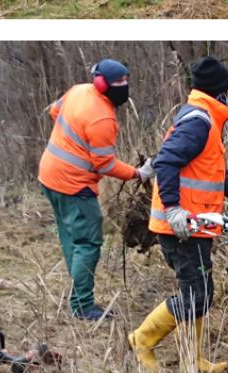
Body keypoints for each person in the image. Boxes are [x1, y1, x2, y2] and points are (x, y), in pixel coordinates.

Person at [128, 56, 228, 373]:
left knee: (198, 292)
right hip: (181, 226)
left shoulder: (203, 120)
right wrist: (174, 209)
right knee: (197, 295)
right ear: (220, 92)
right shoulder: (199, 121)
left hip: (196, 225)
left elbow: (213, 171)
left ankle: (193, 357)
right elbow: (166, 161)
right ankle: (141, 340)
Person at [39, 59, 155, 320]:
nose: (124, 86)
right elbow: (104, 164)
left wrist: (71, 142)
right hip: (73, 185)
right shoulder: (103, 117)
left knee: (71, 236)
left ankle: (77, 289)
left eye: (126, 81)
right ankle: (83, 305)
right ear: (101, 83)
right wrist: (139, 173)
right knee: (88, 242)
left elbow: (54, 113)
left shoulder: (78, 90)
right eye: (118, 83)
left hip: (48, 175)